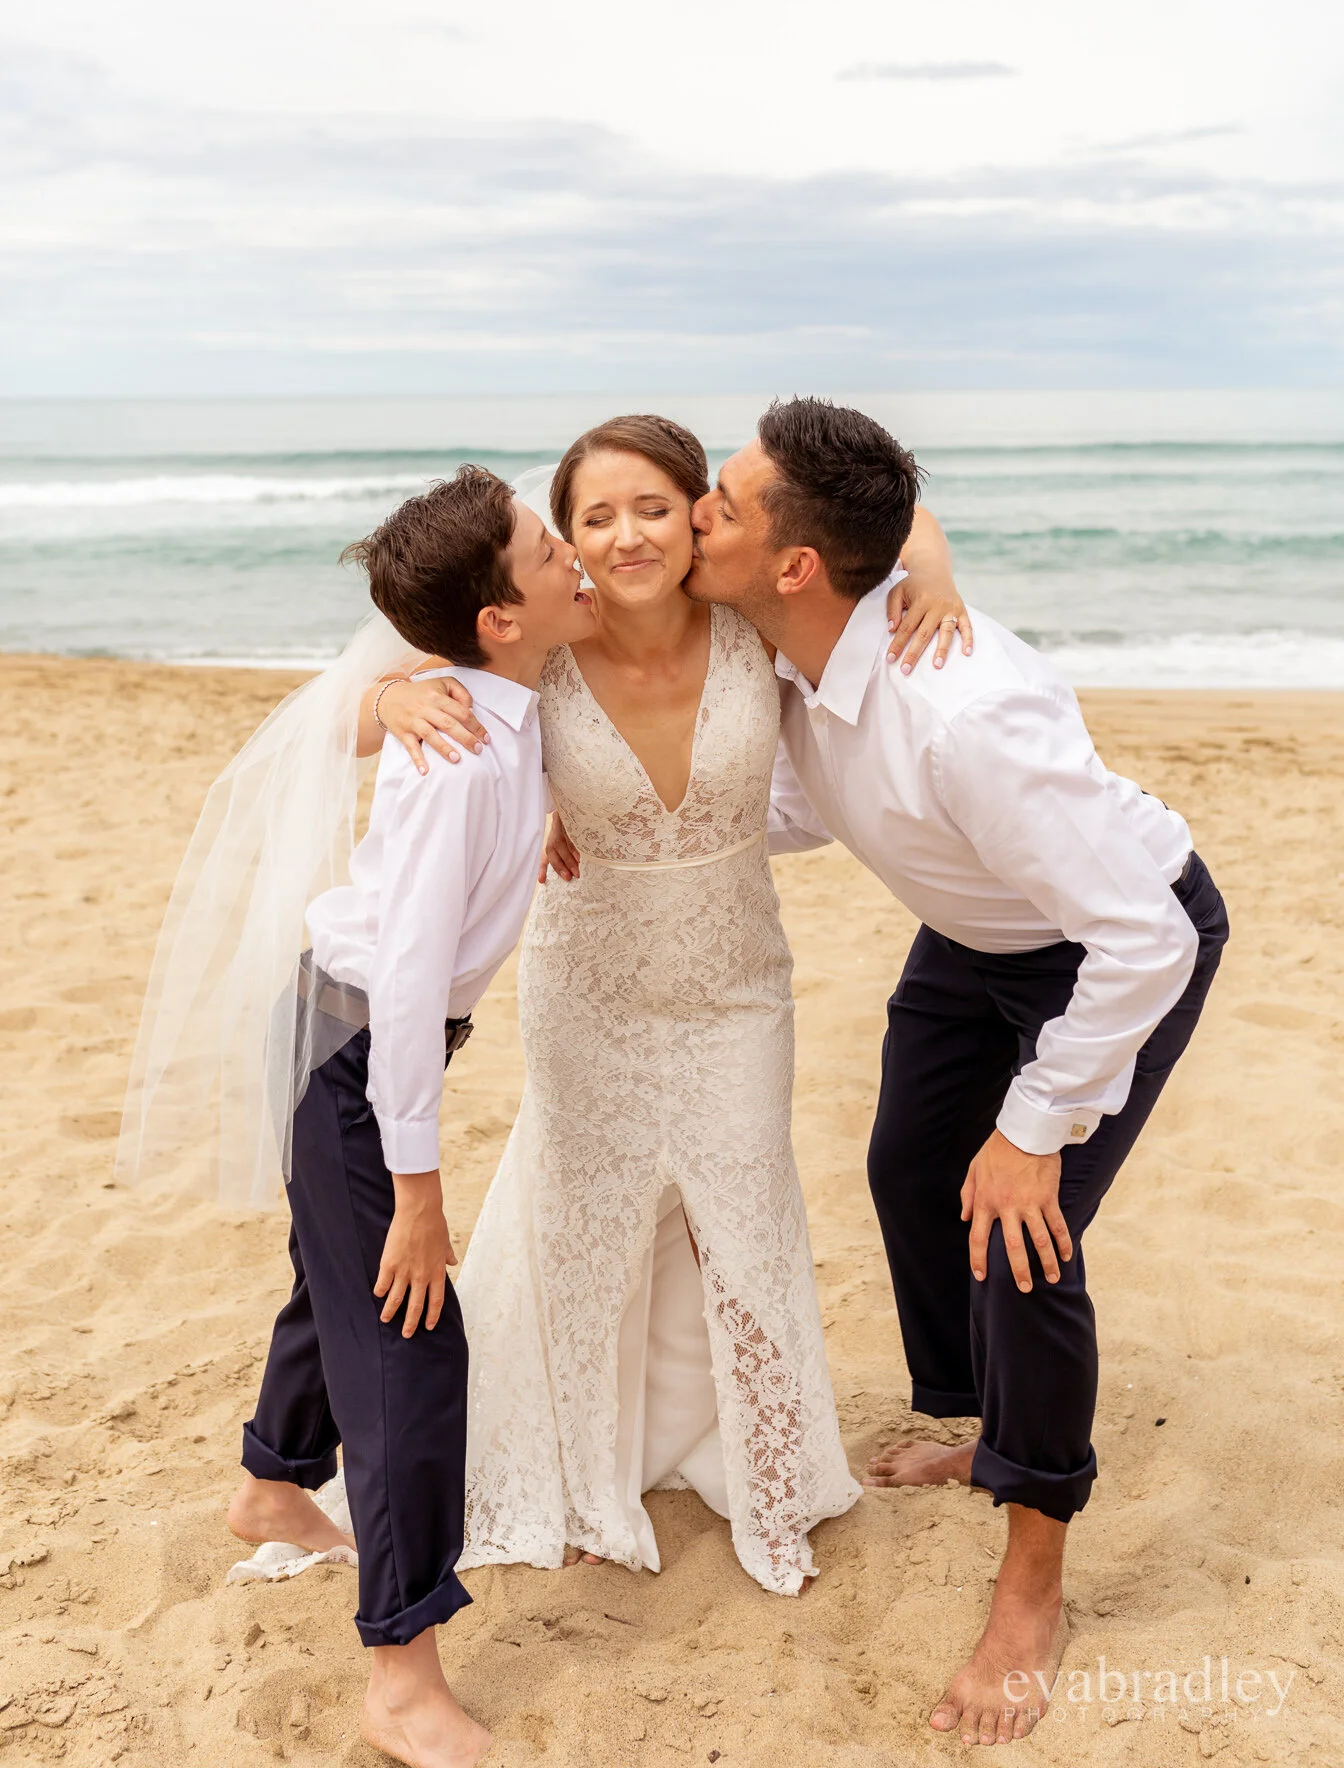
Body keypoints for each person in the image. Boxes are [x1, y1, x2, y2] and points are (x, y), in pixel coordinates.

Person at [680, 397, 1229, 1745]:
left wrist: (1038, 1123)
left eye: (724, 507)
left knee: (1015, 1229)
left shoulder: (964, 714)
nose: (699, 514)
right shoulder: (795, 646)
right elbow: (820, 791)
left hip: (1106, 942)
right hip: (972, 927)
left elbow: (1143, 938)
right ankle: (983, 1427)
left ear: (797, 565)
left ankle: (1031, 1584)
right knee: (910, 1169)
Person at [362, 415, 972, 1595]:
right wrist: (392, 700)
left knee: (747, 1216)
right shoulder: (536, 651)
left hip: (739, 981)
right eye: (594, 516)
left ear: (697, 513)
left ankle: (775, 1478)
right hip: (588, 982)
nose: (626, 533)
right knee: (585, 1230)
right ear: (569, 543)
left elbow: (889, 523)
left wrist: (933, 576)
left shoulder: (748, 622)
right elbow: (363, 707)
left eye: (653, 506)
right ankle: (592, 1480)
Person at [226, 467, 592, 1768]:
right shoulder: (461, 758)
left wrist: (536, 809)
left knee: (335, 1283)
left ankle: (275, 1486)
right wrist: (422, 1193)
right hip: (356, 1045)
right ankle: (401, 1675)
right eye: (551, 548)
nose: (572, 559)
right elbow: (406, 991)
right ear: (499, 618)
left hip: (333, 1029)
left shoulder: (498, 712)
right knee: (411, 1340)